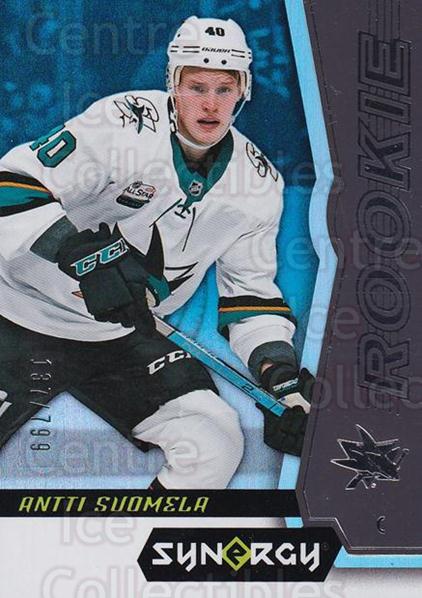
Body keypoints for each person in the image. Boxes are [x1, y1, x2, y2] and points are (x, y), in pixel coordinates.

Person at [0, 16, 309, 489]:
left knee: (214, 442)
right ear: (173, 84)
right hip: (16, 313)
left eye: (224, 89)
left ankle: (143, 539)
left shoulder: (259, 184)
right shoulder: (122, 122)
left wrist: (279, 376)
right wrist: (80, 253)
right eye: (196, 87)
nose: (210, 104)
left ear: (243, 91)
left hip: (121, 336)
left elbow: (251, 300)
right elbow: (11, 186)